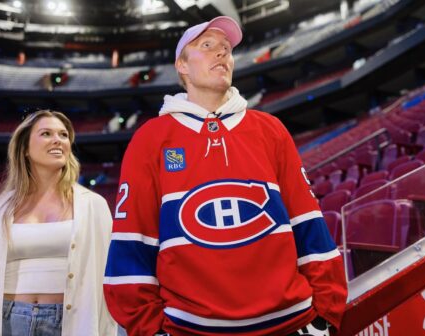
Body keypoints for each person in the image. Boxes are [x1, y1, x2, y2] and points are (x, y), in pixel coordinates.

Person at [104, 16, 347, 336]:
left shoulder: (270, 129)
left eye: (226, 48)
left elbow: (308, 224)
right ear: (182, 66)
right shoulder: (151, 139)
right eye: (207, 46)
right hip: (192, 329)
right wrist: (152, 329)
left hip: (290, 323)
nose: (222, 53)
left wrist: (325, 313)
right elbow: (132, 242)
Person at [0, 110, 117, 336]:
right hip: (7, 319)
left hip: (68, 322)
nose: (58, 140)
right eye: (46, 133)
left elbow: (107, 276)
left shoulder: (94, 206)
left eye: (63, 135)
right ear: (25, 149)